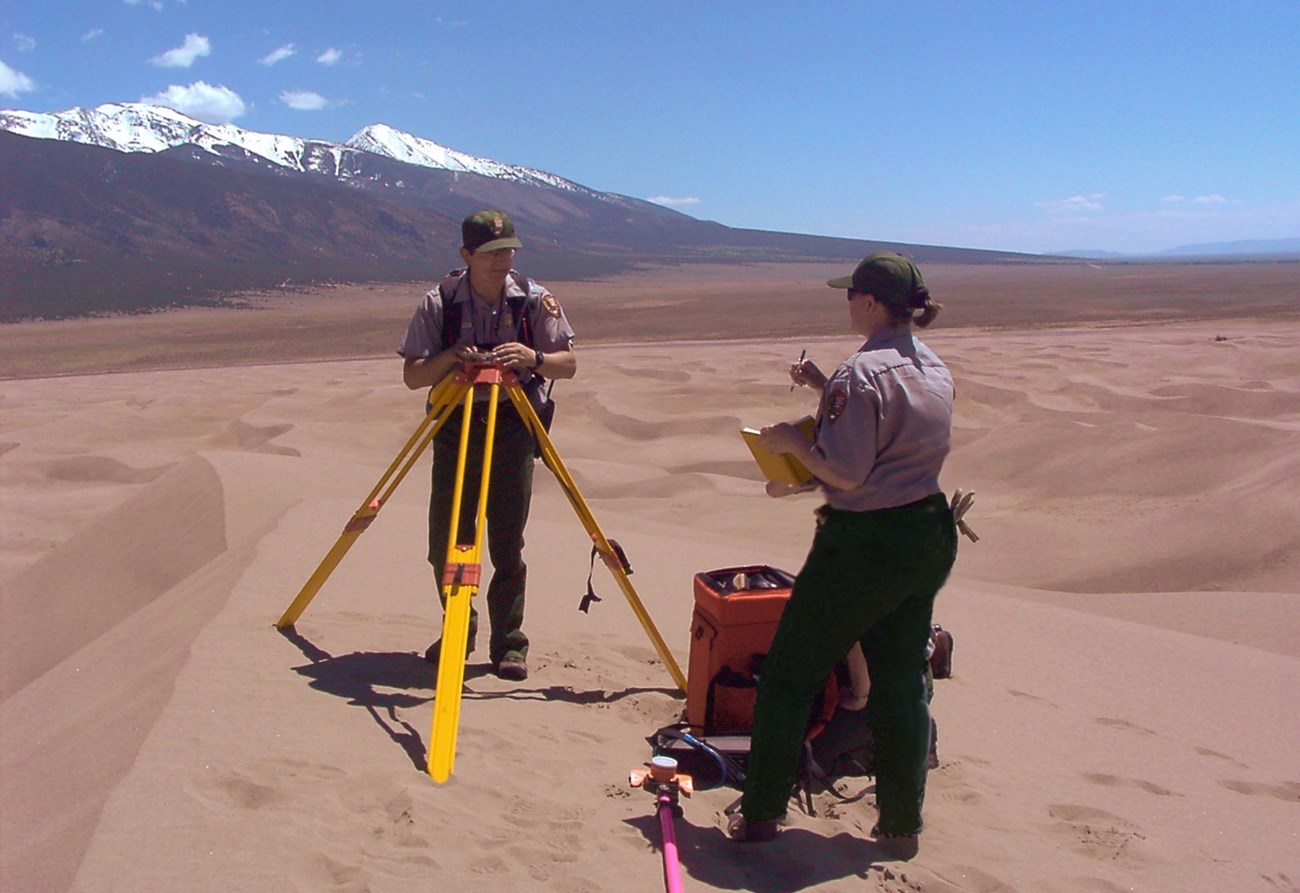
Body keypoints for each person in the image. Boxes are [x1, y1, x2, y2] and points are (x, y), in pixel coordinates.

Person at [731, 252, 957, 859]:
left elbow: (849, 473)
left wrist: (789, 445)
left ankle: (760, 815)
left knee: (788, 677)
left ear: (870, 303)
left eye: (851, 294)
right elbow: (889, 421)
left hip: (864, 544)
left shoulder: (861, 374)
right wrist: (821, 385)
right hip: (926, 533)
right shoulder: (933, 367)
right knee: (901, 682)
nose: (847, 303)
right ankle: (902, 824)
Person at [398, 210, 576, 681]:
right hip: (458, 425)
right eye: (492, 253)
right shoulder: (439, 303)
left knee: (506, 541)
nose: (503, 261)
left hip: (514, 425)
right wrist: (449, 361)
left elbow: (568, 364)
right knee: (449, 541)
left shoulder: (535, 301)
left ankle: (509, 644)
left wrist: (532, 357)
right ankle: (459, 630)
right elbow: (413, 377)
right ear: (466, 255)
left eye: (509, 250)